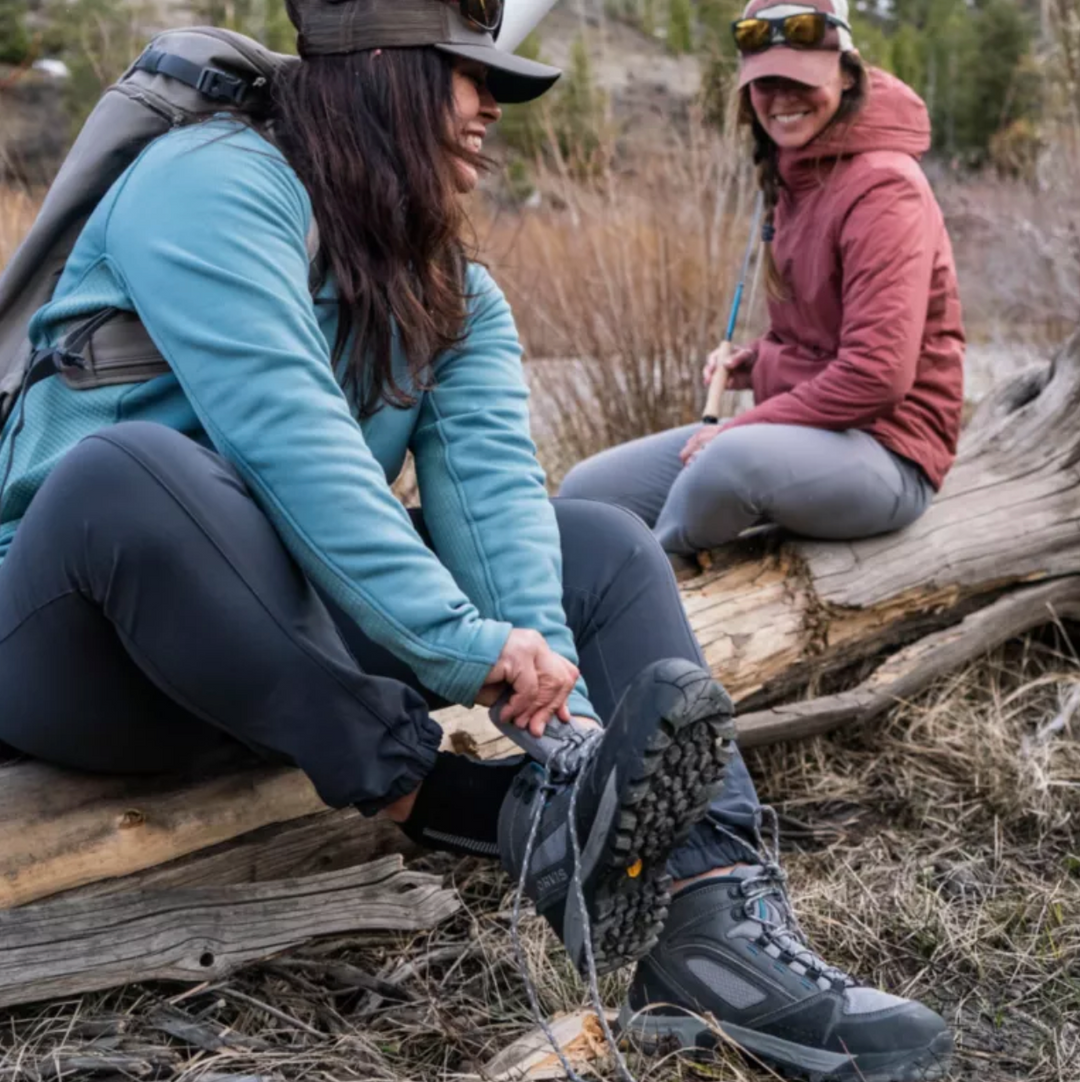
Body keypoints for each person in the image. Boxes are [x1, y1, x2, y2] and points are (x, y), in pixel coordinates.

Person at [0, 1, 950, 1078]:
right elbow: (288, 436)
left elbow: (497, 504)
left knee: (596, 541)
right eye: (467, 73)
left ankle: (715, 938)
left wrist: (563, 718)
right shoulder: (207, 183)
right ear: (383, 70)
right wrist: (467, 647)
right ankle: (467, 805)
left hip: (283, 662)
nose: (492, 108)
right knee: (134, 478)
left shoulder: (451, 285)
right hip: (82, 653)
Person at [560, 0, 965, 574]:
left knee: (727, 465)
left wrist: (742, 425)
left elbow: (878, 374)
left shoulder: (885, 189)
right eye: (764, 83)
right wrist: (759, 362)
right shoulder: (795, 175)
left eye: (800, 79)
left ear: (847, 74)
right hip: (809, 436)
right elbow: (815, 341)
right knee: (587, 492)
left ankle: (638, 590)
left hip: (891, 455)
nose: (781, 99)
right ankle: (578, 585)